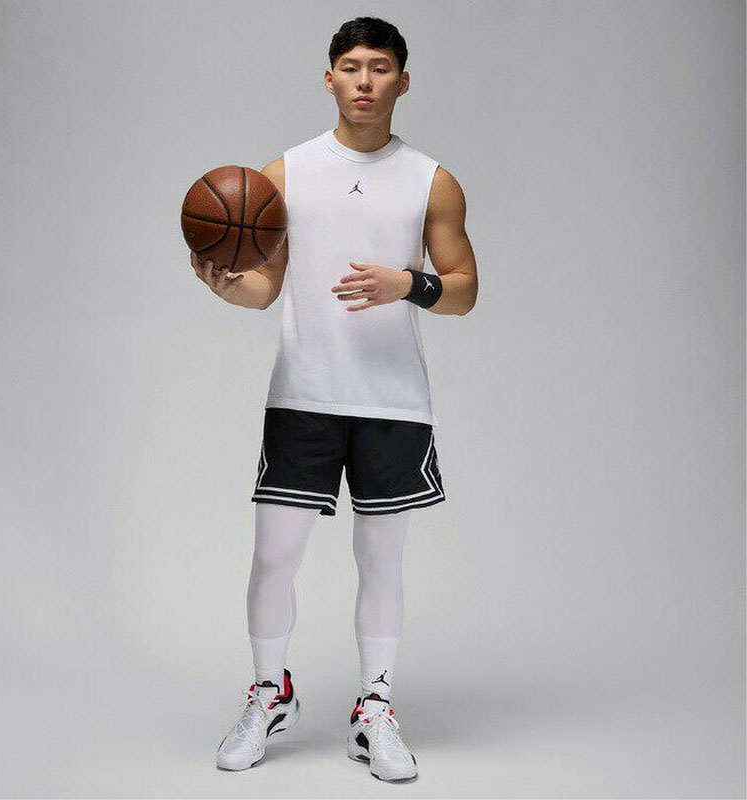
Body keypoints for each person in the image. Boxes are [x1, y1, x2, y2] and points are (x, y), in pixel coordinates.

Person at [192, 16, 478, 782]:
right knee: (272, 556)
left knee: (380, 561)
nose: (363, 80)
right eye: (350, 66)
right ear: (329, 79)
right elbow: (264, 289)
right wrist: (224, 285)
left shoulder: (432, 180)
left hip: (393, 401)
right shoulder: (285, 173)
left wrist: (405, 283)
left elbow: (463, 291)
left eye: (379, 67)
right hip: (305, 393)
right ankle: (269, 693)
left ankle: (374, 709)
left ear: (402, 82)